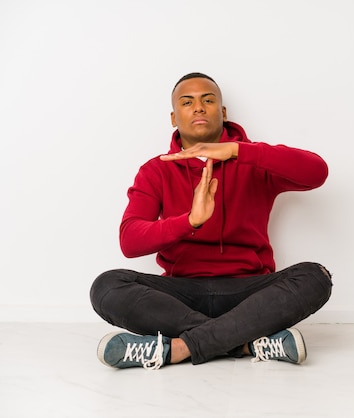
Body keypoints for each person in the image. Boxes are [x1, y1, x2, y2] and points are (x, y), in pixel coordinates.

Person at [90, 72, 332, 370]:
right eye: (187, 101)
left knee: (315, 276)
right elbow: (130, 241)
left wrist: (237, 151)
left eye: (208, 100)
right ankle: (246, 343)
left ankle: (178, 349)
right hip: (181, 296)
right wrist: (189, 221)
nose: (199, 107)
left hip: (248, 293)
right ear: (173, 116)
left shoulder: (254, 161)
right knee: (107, 286)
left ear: (223, 112)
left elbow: (317, 172)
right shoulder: (156, 170)